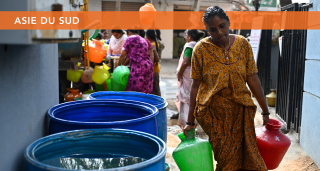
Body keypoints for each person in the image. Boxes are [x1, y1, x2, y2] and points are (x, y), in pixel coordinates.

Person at [183, 6, 269, 171]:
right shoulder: (200, 50)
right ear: (207, 30)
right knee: (227, 159)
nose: (219, 32)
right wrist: (190, 121)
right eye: (212, 29)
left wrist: (265, 111)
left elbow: (252, 79)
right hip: (214, 115)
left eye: (222, 26)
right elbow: (195, 86)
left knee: (249, 157)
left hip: (241, 112)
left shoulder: (243, 45)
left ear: (229, 23)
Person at [176, 30, 204, 129]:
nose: (185, 37)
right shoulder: (199, 45)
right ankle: (193, 122)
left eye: (186, 35)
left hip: (188, 76)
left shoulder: (190, 46)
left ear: (190, 36)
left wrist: (180, 72)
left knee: (187, 100)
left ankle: (187, 123)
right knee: (193, 99)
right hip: (195, 75)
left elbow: (186, 61)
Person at [118, 29, 154, 93]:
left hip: (139, 67)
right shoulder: (143, 40)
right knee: (146, 90)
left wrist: (118, 66)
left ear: (129, 32)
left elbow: (123, 55)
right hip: (148, 66)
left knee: (135, 90)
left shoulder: (130, 38)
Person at [146, 30, 161, 96]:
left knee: (155, 88)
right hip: (156, 68)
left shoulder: (151, 45)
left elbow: (157, 58)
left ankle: (158, 102)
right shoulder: (156, 42)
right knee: (156, 87)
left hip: (153, 69)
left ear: (148, 36)